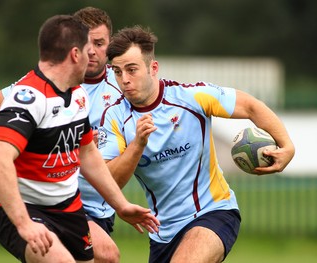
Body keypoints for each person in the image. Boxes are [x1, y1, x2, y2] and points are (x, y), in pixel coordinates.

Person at [98, 25, 295, 263]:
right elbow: (110, 181)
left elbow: (251, 106)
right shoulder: (114, 117)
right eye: (117, 72)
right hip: (163, 234)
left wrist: (287, 146)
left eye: (132, 70)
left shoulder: (191, 98)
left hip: (213, 212)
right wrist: (137, 145)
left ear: (153, 68)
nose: (125, 80)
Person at [0, 16, 159, 263]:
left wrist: (121, 205)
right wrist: (24, 223)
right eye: (89, 51)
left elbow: (88, 154)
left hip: (68, 208)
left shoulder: (77, 95)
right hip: (28, 208)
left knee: (107, 257)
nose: (94, 58)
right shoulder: (29, 98)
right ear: (76, 54)